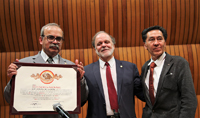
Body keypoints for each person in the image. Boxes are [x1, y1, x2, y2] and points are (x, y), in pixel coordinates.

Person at [4, 23, 88, 118]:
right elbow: (9, 98)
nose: (55, 42)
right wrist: (13, 80)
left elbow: (81, 101)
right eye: (51, 37)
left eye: (59, 39)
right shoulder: (23, 66)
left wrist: (80, 80)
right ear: (41, 40)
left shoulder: (71, 67)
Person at [84, 31, 145, 118]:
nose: (104, 45)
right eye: (99, 44)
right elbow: (82, 100)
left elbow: (142, 93)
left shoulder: (130, 68)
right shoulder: (87, 71)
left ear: (113, 45)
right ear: (95, 49)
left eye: (107, 42)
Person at [141, 25, 197, 118]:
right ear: (145, 45)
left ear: (165, 43)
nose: (156, 43)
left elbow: (189, 100)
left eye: (160, 39)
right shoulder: (145, 67)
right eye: (151, 39)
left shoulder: (179, 63)